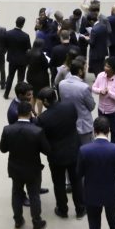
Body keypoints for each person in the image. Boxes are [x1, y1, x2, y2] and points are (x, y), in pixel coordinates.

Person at [0, 101, 50, 229]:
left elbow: (3, 149)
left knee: (16, 194)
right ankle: (37, 223)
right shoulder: (37, 131)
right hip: (33, 169)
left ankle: (18, 221)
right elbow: (47, 150)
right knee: (34, 195)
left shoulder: (7, 129)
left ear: (18, 113)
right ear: (30, 113)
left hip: (15, 168)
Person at [36, 87, 85, 220]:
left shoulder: (43, 118)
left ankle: (62, 209)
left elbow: (42, 137)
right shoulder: (69, 106)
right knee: (76, 181)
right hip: (74, 150)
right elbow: (75, 120)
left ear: (46, 101)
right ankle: (80, 209)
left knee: (59, 183)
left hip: (56, 154)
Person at [59, 58, 96, 145]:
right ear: (80, 71)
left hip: (68, 123)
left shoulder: (62, 84)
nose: (85, 71)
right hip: (83, 126)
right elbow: (92, 106)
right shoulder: (84, 87)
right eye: (84, 69)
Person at [92, 57, 115, 144]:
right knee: (101, 130)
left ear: (113, 69)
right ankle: (102, 146)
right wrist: (100, 91)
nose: (105, 68)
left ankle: (113, 147)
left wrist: (109, 93)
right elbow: (94, 88)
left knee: (114, 130)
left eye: (108, 66)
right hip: (101, 109)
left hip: (114, 110)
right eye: (105, 66)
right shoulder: (100, 76)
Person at [4, 16, 32, 99]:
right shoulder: (26, 36)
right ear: (23, 25)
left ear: (15, 22)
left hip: (12, 59)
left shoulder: (8, 33)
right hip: (23, 61)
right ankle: (19, 96)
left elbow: (6, 46)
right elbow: (28, 49)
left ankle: (6, 94)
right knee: (20, 79)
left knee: (10, 77)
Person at [26, 39, 50, 116]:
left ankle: (31, 112)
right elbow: (46, 65)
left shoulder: (28, 52)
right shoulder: (41, 55)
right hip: (41, 77)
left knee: (32, 95)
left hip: (30, 75)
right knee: (40, 96)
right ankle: (39, 113)